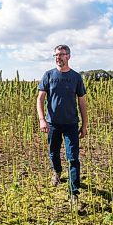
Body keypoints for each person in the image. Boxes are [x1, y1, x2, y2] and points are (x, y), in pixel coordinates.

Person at [37, 44, 88, 207]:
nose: (58, 57)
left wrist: (85, 124)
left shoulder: (76, 77)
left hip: (71, 124)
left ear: (69, 56)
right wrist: (42, 119)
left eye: (62, 54)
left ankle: (74, 193)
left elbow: (82, 102)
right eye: (56, 55)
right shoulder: (49, 75)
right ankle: (57, 172)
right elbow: (40, 99)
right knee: (53, 152)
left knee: (73, 158)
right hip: (53, 124)